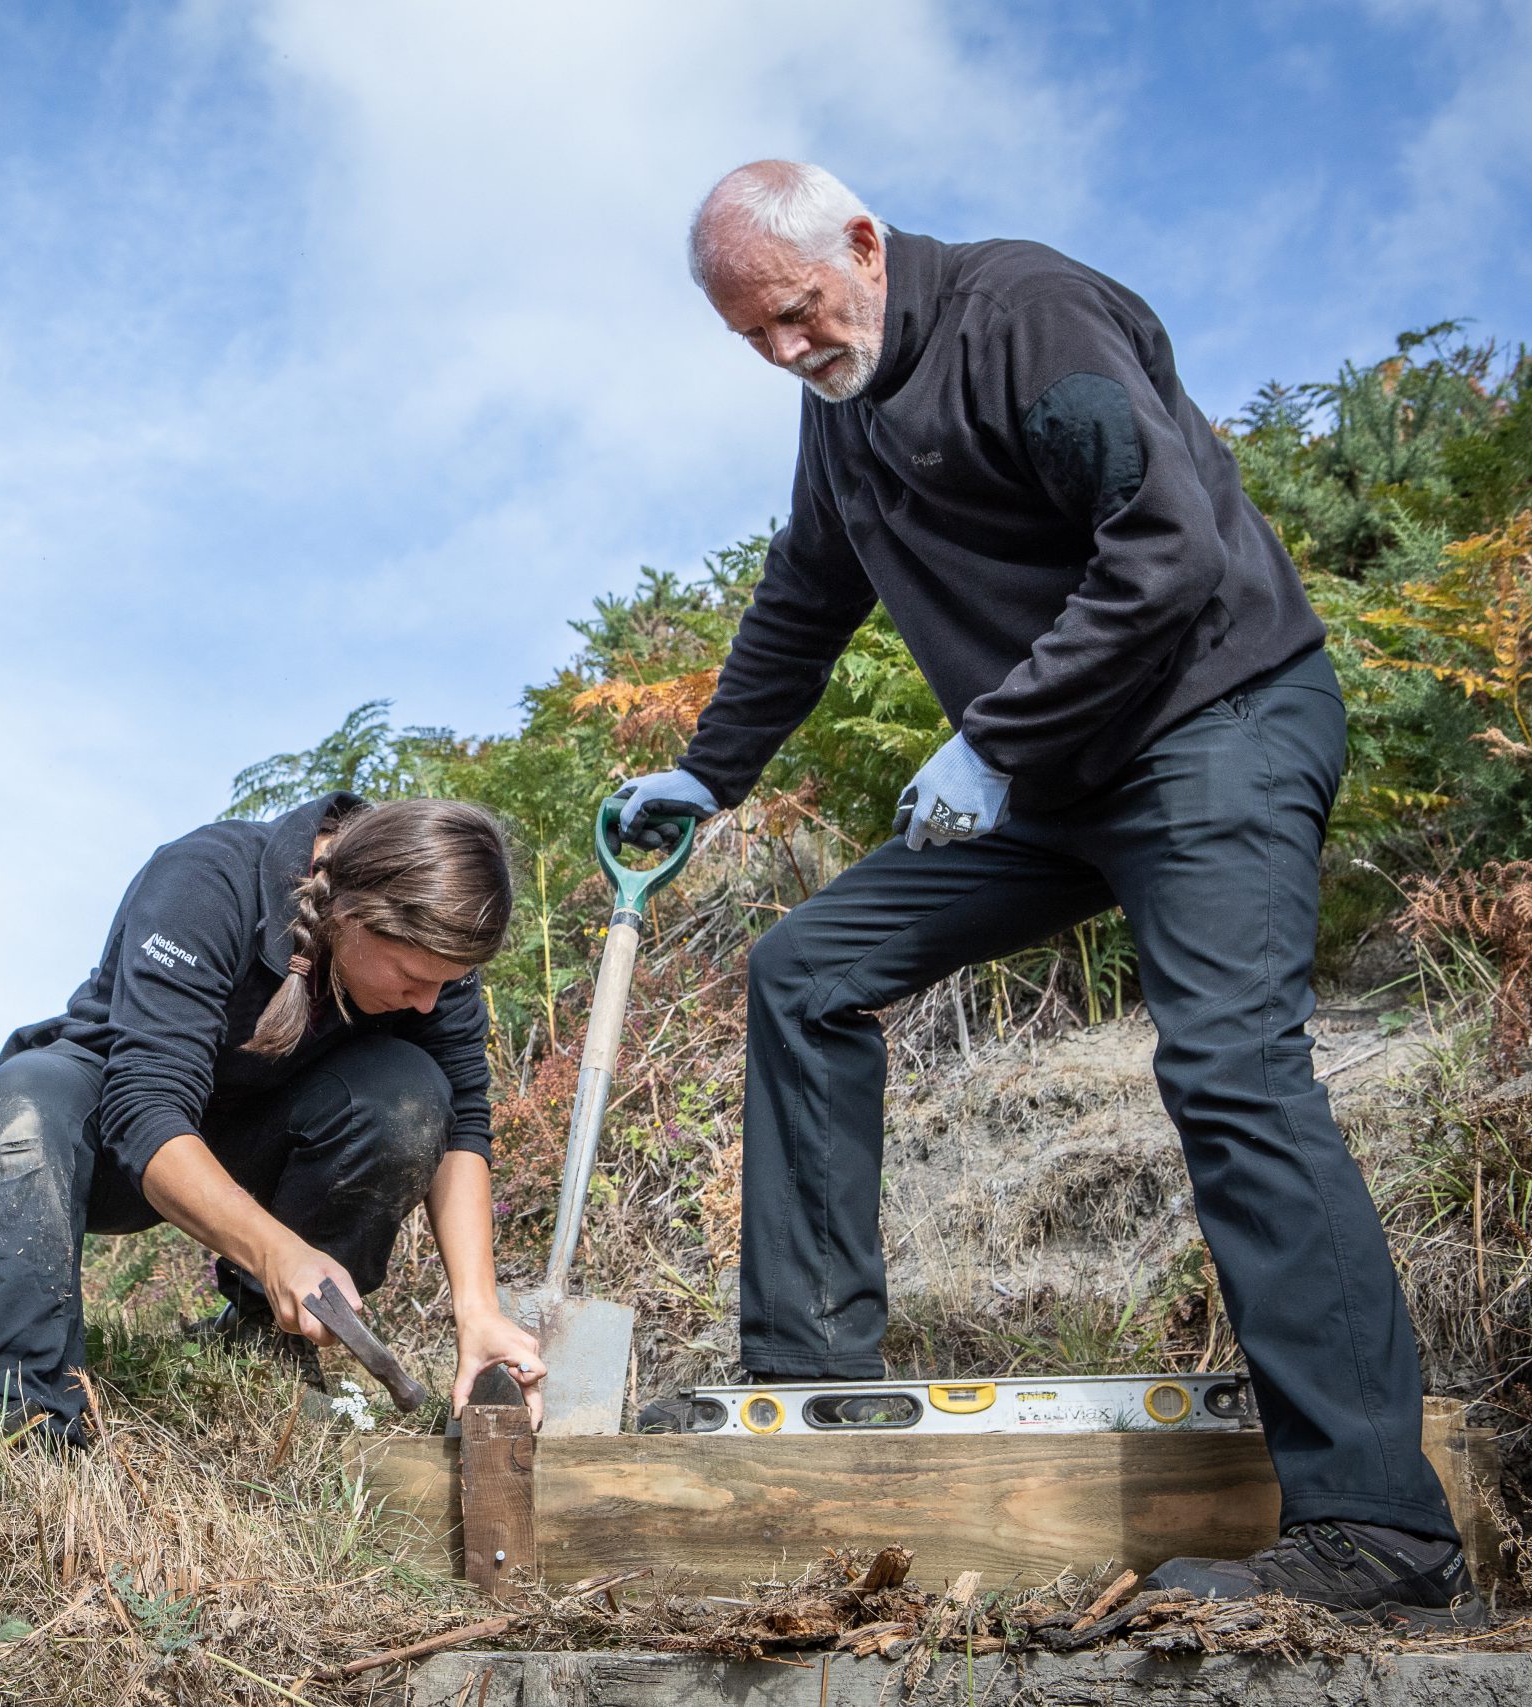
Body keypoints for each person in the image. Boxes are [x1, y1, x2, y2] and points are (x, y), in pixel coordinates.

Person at [609, 161, 1478, 1624]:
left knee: (1230, 1069)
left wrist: (997, 737)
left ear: (865, 244)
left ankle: (1383, 1531)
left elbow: (1169, 549)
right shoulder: (840, 406)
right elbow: (806, 595)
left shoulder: (1029, 317)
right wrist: (708, 774)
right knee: (807, 970)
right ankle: (812, 1399)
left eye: (798, 313)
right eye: (751, 336)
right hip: (1055, 782)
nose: (785, 352)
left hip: (1213, 724)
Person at [0, 792, 545, 1446]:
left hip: (256, 1136)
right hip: (111, 1133)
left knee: (409, 1093)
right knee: (24, 1099)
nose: (428, 1003)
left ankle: (265, 1343)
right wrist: (277, 1251)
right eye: (412, 978)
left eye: (446, 982)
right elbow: (145, 1108)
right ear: (351, 915)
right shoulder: (204, 882)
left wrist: (478, 1311)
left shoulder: (430, 953)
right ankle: (13, 1412)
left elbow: (463, 1123)